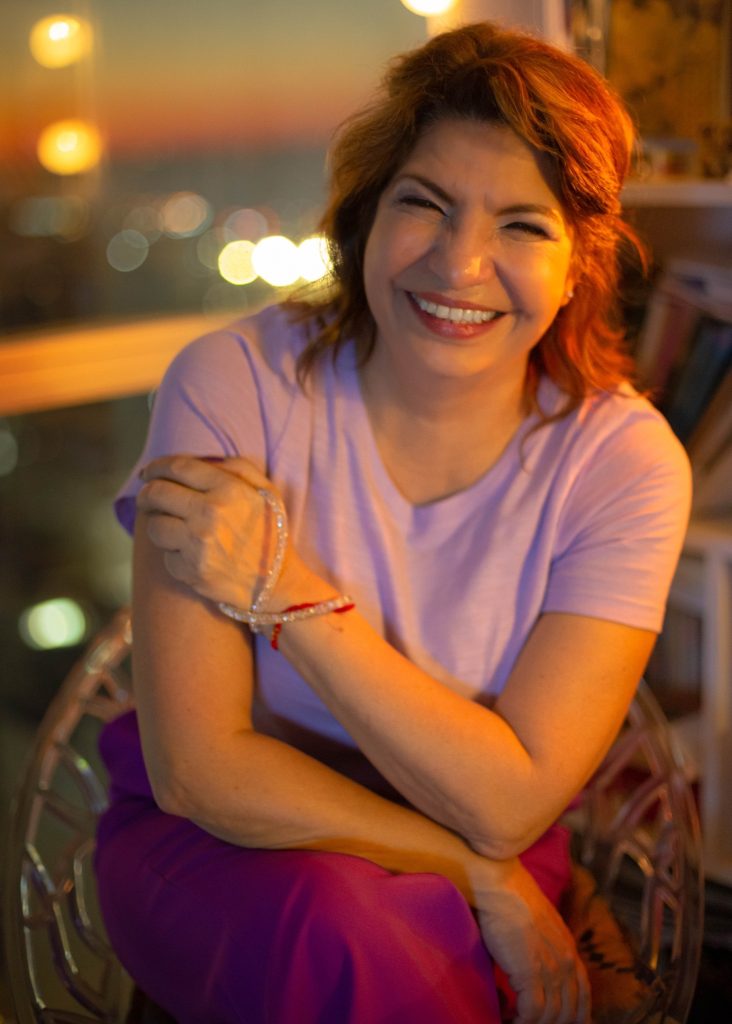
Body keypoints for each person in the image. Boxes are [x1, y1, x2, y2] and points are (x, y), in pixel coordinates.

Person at [95, 20, 691, 1024]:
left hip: (481, 829)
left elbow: (512, 801)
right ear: (365, 215)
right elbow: (198, 770)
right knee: (334, 929)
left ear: (579, 265)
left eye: (523, 225)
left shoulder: (623, 464)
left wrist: (283, 591)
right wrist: (474, 872)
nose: (461, 263)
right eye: (424, 203)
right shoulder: (234, 383)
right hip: (232, 839)